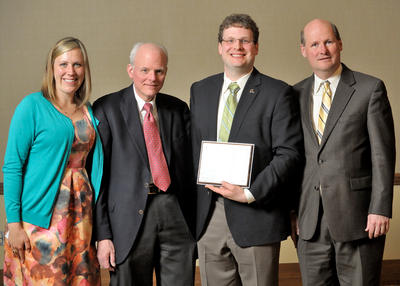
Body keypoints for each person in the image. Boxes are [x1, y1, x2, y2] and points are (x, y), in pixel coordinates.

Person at [190, 14, 304, 286]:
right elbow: (193, 149)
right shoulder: (200, 90)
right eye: (229, 40)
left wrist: (250, 192)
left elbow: (289, 154)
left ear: (256, 47)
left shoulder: (278, 93)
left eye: (244, 41)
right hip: (209, 215)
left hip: (256, 214)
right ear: (219, 46)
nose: (236, 47)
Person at [293, 18, 396, 286]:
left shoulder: (369, 89)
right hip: (310, 222)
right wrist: (292, 213)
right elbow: (293, 159)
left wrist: (380, 208)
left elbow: (382, 155)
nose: (322, 49)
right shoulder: (294, 95)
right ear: (304, 50)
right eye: (314, 44)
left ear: (339, 44)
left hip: (359, 218)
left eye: (328, 41)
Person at [2, 37, 103, 285]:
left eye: (77, 65)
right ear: (52, 68)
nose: (71, 71)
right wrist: (14, 225)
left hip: (82, 220)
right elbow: (13, 166)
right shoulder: (32, 106)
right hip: (41, 222)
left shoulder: (88, 109)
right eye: (64, 64)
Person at [93, 42, 196, 286]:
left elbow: (192, 165)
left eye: (159, 71)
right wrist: (103, 235)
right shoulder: (106, 109)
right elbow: (97, 179)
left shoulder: (178, 109)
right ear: (130, 70)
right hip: (128, 220)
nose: (152, 77)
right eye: (145, 70)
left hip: (176, 214)